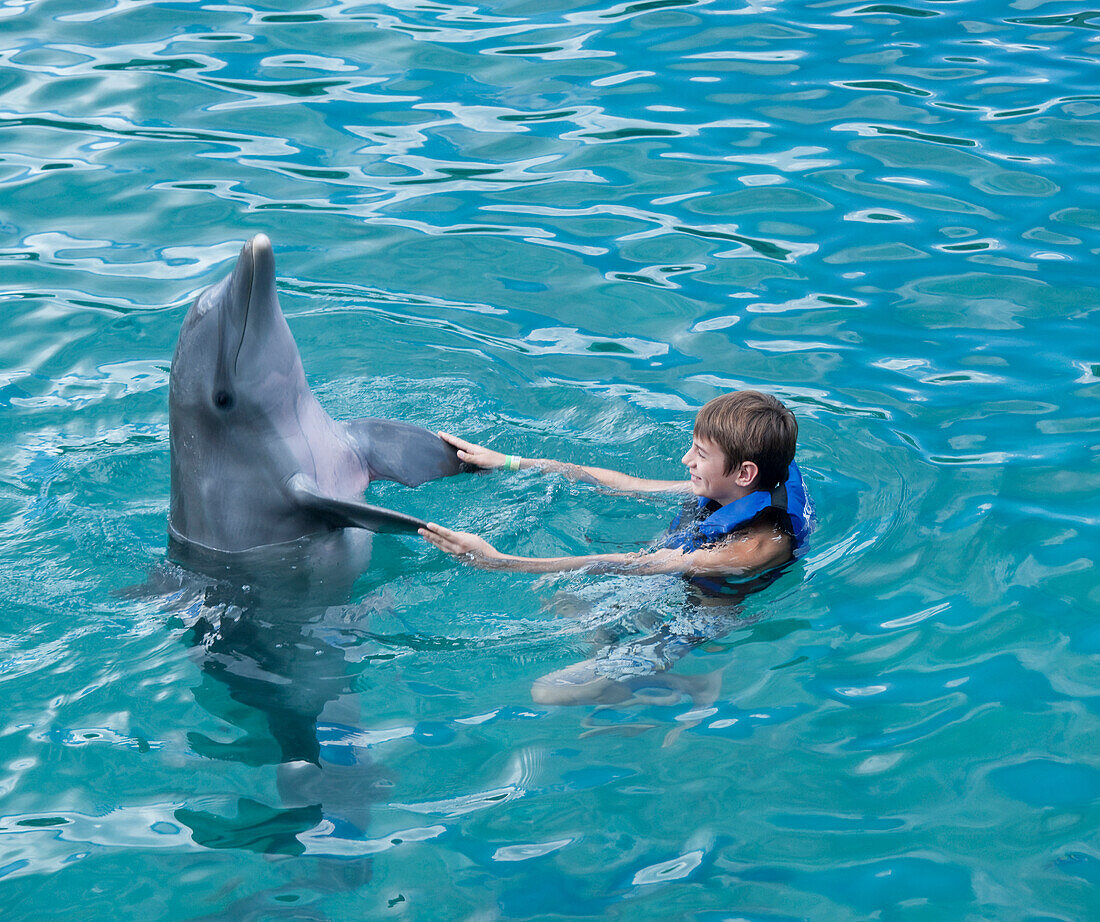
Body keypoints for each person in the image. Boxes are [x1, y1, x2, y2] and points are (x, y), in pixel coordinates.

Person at [418, 390, 815, 704]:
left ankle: (689, 687)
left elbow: (641, 565)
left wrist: (501, 562)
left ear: (745, 473)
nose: (685, 459)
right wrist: (507, 462)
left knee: (549, 690)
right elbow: (624, 484)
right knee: (562, 600)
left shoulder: (757, 545)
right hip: (671, 583)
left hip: (697, 619)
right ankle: (616, 664)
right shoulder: (736, 485)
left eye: (701, 454)